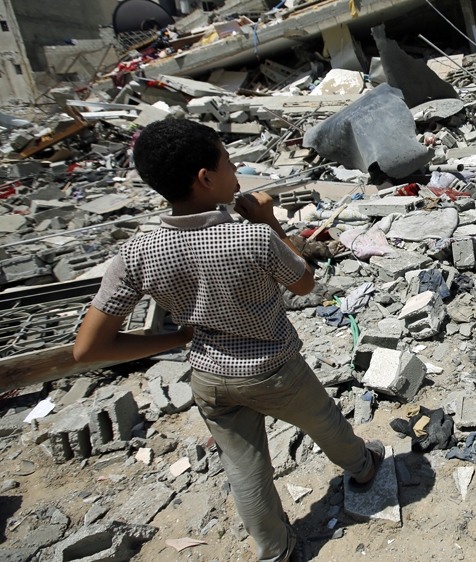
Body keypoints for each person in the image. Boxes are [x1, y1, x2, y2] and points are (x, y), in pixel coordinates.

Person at [73, 119, 382, 562]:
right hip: (276, 370)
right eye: (229, 161)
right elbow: (304, 284)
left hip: (210, 378)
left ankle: (274, 550)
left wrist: (177, 338)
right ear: (206, 178)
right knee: (324, 423)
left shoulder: (137, 253)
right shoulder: (253, 237)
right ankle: (363, 467)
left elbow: (88, 349)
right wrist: (271, 222)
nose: (237, 169)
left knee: (244, 468)